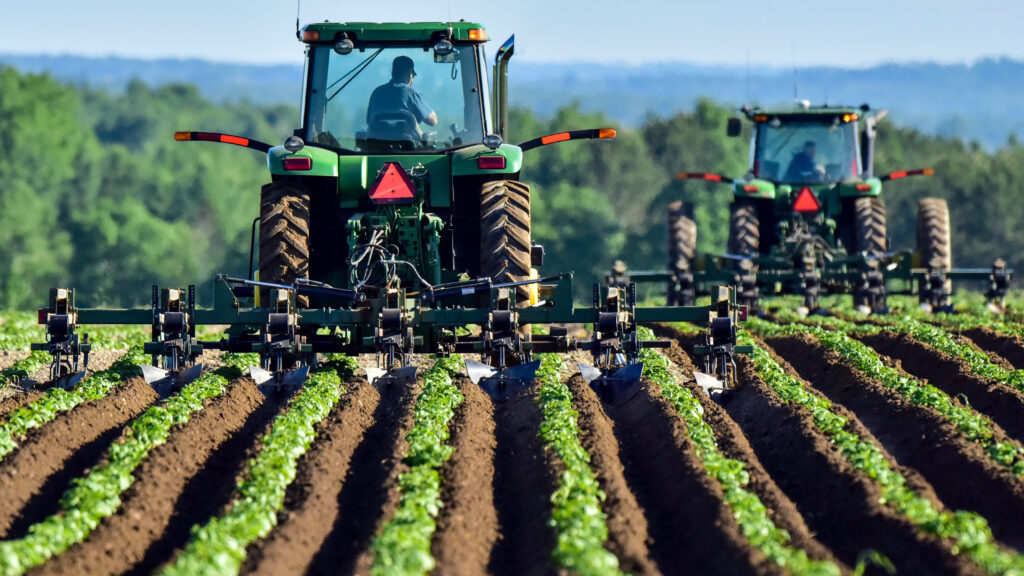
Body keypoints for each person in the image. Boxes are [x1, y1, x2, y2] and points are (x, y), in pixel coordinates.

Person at [366, 55, 437, 136]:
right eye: (413, 75)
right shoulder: (411, 93)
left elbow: (369, 121)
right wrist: (427, 109)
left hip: (377, 145)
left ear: (393, 73)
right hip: (408, 146)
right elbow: (432, 121)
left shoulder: (377, 92)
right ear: (410, 73)